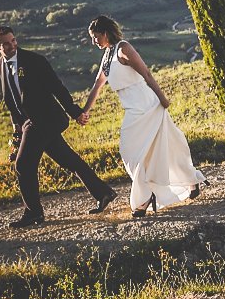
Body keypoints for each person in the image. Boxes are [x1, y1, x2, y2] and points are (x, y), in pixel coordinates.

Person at [0, 25, 118, 228]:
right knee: (67, 159)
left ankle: (34, 214)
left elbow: (57, 87)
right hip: (28, 123)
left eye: (13, 40)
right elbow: (12, 99)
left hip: (46, 119)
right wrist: (17, 128)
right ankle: (104, 192)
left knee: (23, 165)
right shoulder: (0, 65)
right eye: (6, 43)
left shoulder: (34, 61)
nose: (12, 45)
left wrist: (75, 112)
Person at [82, 16, 205, 217]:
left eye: (95, 37)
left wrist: (163, 99)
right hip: (133, 110)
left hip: (148, 106)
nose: (94, 41)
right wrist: (84, 111)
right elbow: (97, 85)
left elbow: (146, 74)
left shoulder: (123, 48)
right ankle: (189, 180)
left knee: (151, 149)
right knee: (144, 151)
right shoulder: (107, 56)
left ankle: (144, 198)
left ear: (104, 33)